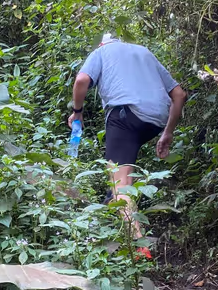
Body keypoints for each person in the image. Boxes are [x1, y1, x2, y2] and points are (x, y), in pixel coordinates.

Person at [68, 34, 187, 245]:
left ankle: (140, 248)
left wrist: (77, 112)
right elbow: (179, 94)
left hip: (125, 115)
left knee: (120, 183)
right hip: (155, 121)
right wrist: (167, 132)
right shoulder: (144, 52)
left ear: (103, 43)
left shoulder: (102, 52)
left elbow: (81, 80)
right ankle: (113, 212)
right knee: (122, 177)